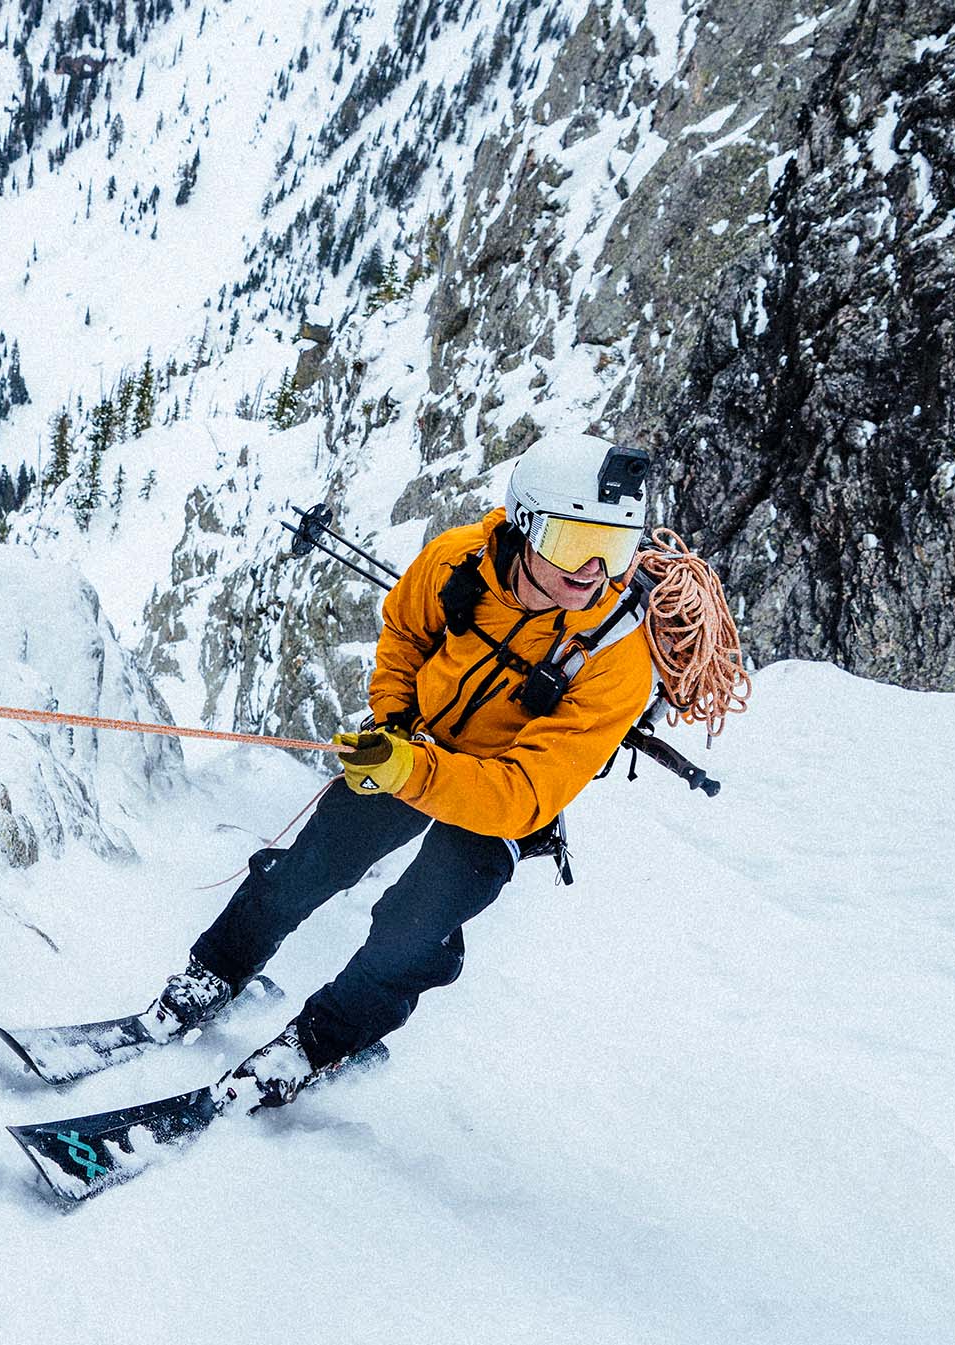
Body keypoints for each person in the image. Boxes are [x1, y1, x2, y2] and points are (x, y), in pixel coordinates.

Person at [147, 430, 659, 1111]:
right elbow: (405, 636)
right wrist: (391, 723)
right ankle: (213, 971)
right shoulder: (457, 563)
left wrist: (409, 769)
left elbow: (525, 793)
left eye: (613, 547)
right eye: (573, 542)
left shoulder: (618, 657)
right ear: (524, 522)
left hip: (499, 800)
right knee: (308, 867)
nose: (592, 570)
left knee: (412, 930)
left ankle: (319, 1043)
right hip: (413, 743)